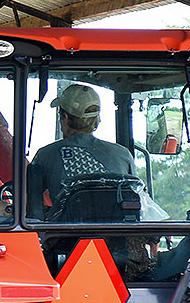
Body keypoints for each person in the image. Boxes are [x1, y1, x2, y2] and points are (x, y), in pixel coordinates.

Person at [27, 83, 136, 220]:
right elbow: (136, 197)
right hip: (117, 237)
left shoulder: (45, 155)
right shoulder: (123, 154)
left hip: (66, 238)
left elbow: (33, 209)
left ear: (65, 117)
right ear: (97, 118)